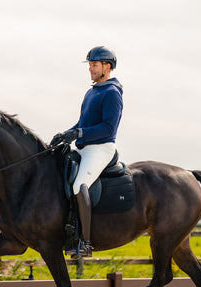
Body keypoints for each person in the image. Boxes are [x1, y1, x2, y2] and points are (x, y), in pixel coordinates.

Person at [51, 46, 124, 259]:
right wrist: (66, 134)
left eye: (94, 65)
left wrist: (79, 132)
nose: (91, 69)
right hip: (85, 147)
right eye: (90, 65)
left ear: (107, 67)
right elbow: (82, 123)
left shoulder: (112, 93)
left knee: (78, 184)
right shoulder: (92, 91)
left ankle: (85, 241)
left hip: (101, 149)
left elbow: (108, 128)